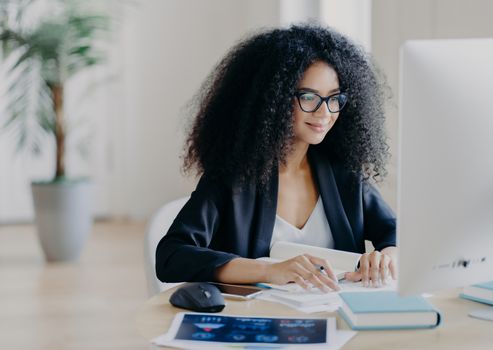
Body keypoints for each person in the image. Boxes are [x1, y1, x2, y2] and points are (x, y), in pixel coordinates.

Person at [155, 25, 397, 293]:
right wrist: (270, 270)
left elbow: (397, 234)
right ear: (274, 99)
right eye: (308, 96)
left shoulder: (344, 174)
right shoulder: (232, 178)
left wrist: (386, 257)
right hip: (260, 321)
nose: (325, 112)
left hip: (336, 319)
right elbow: (171, 256)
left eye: (334, 98)